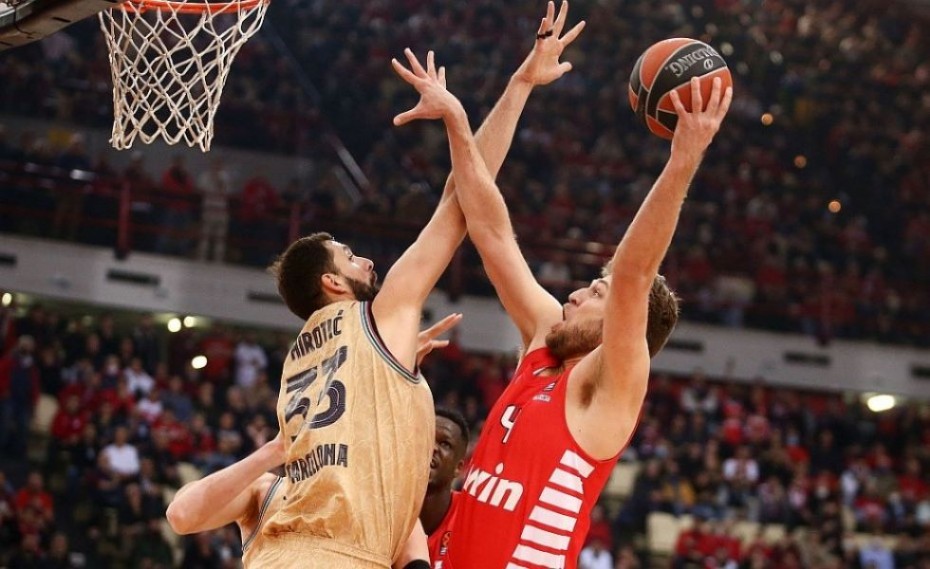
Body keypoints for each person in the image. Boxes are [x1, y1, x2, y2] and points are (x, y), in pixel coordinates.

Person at [439, 18, 733, 569]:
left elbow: (632, 275)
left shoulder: (611, 383)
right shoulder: (544, 346)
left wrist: (683, 159)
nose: (574, 294)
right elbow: (490, 228)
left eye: (593, 292)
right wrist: (512, 89)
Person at [166, 317, 462, 568]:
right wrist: (275, 450)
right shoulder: (265, 490)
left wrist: (399, 380)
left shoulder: (388, 509)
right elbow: (182, 515)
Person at [419, 407, 470, 568]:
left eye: (444, 444)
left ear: (458, 468)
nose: (432, 448)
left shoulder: (469, 517)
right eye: (427, 438)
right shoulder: (383, 509)